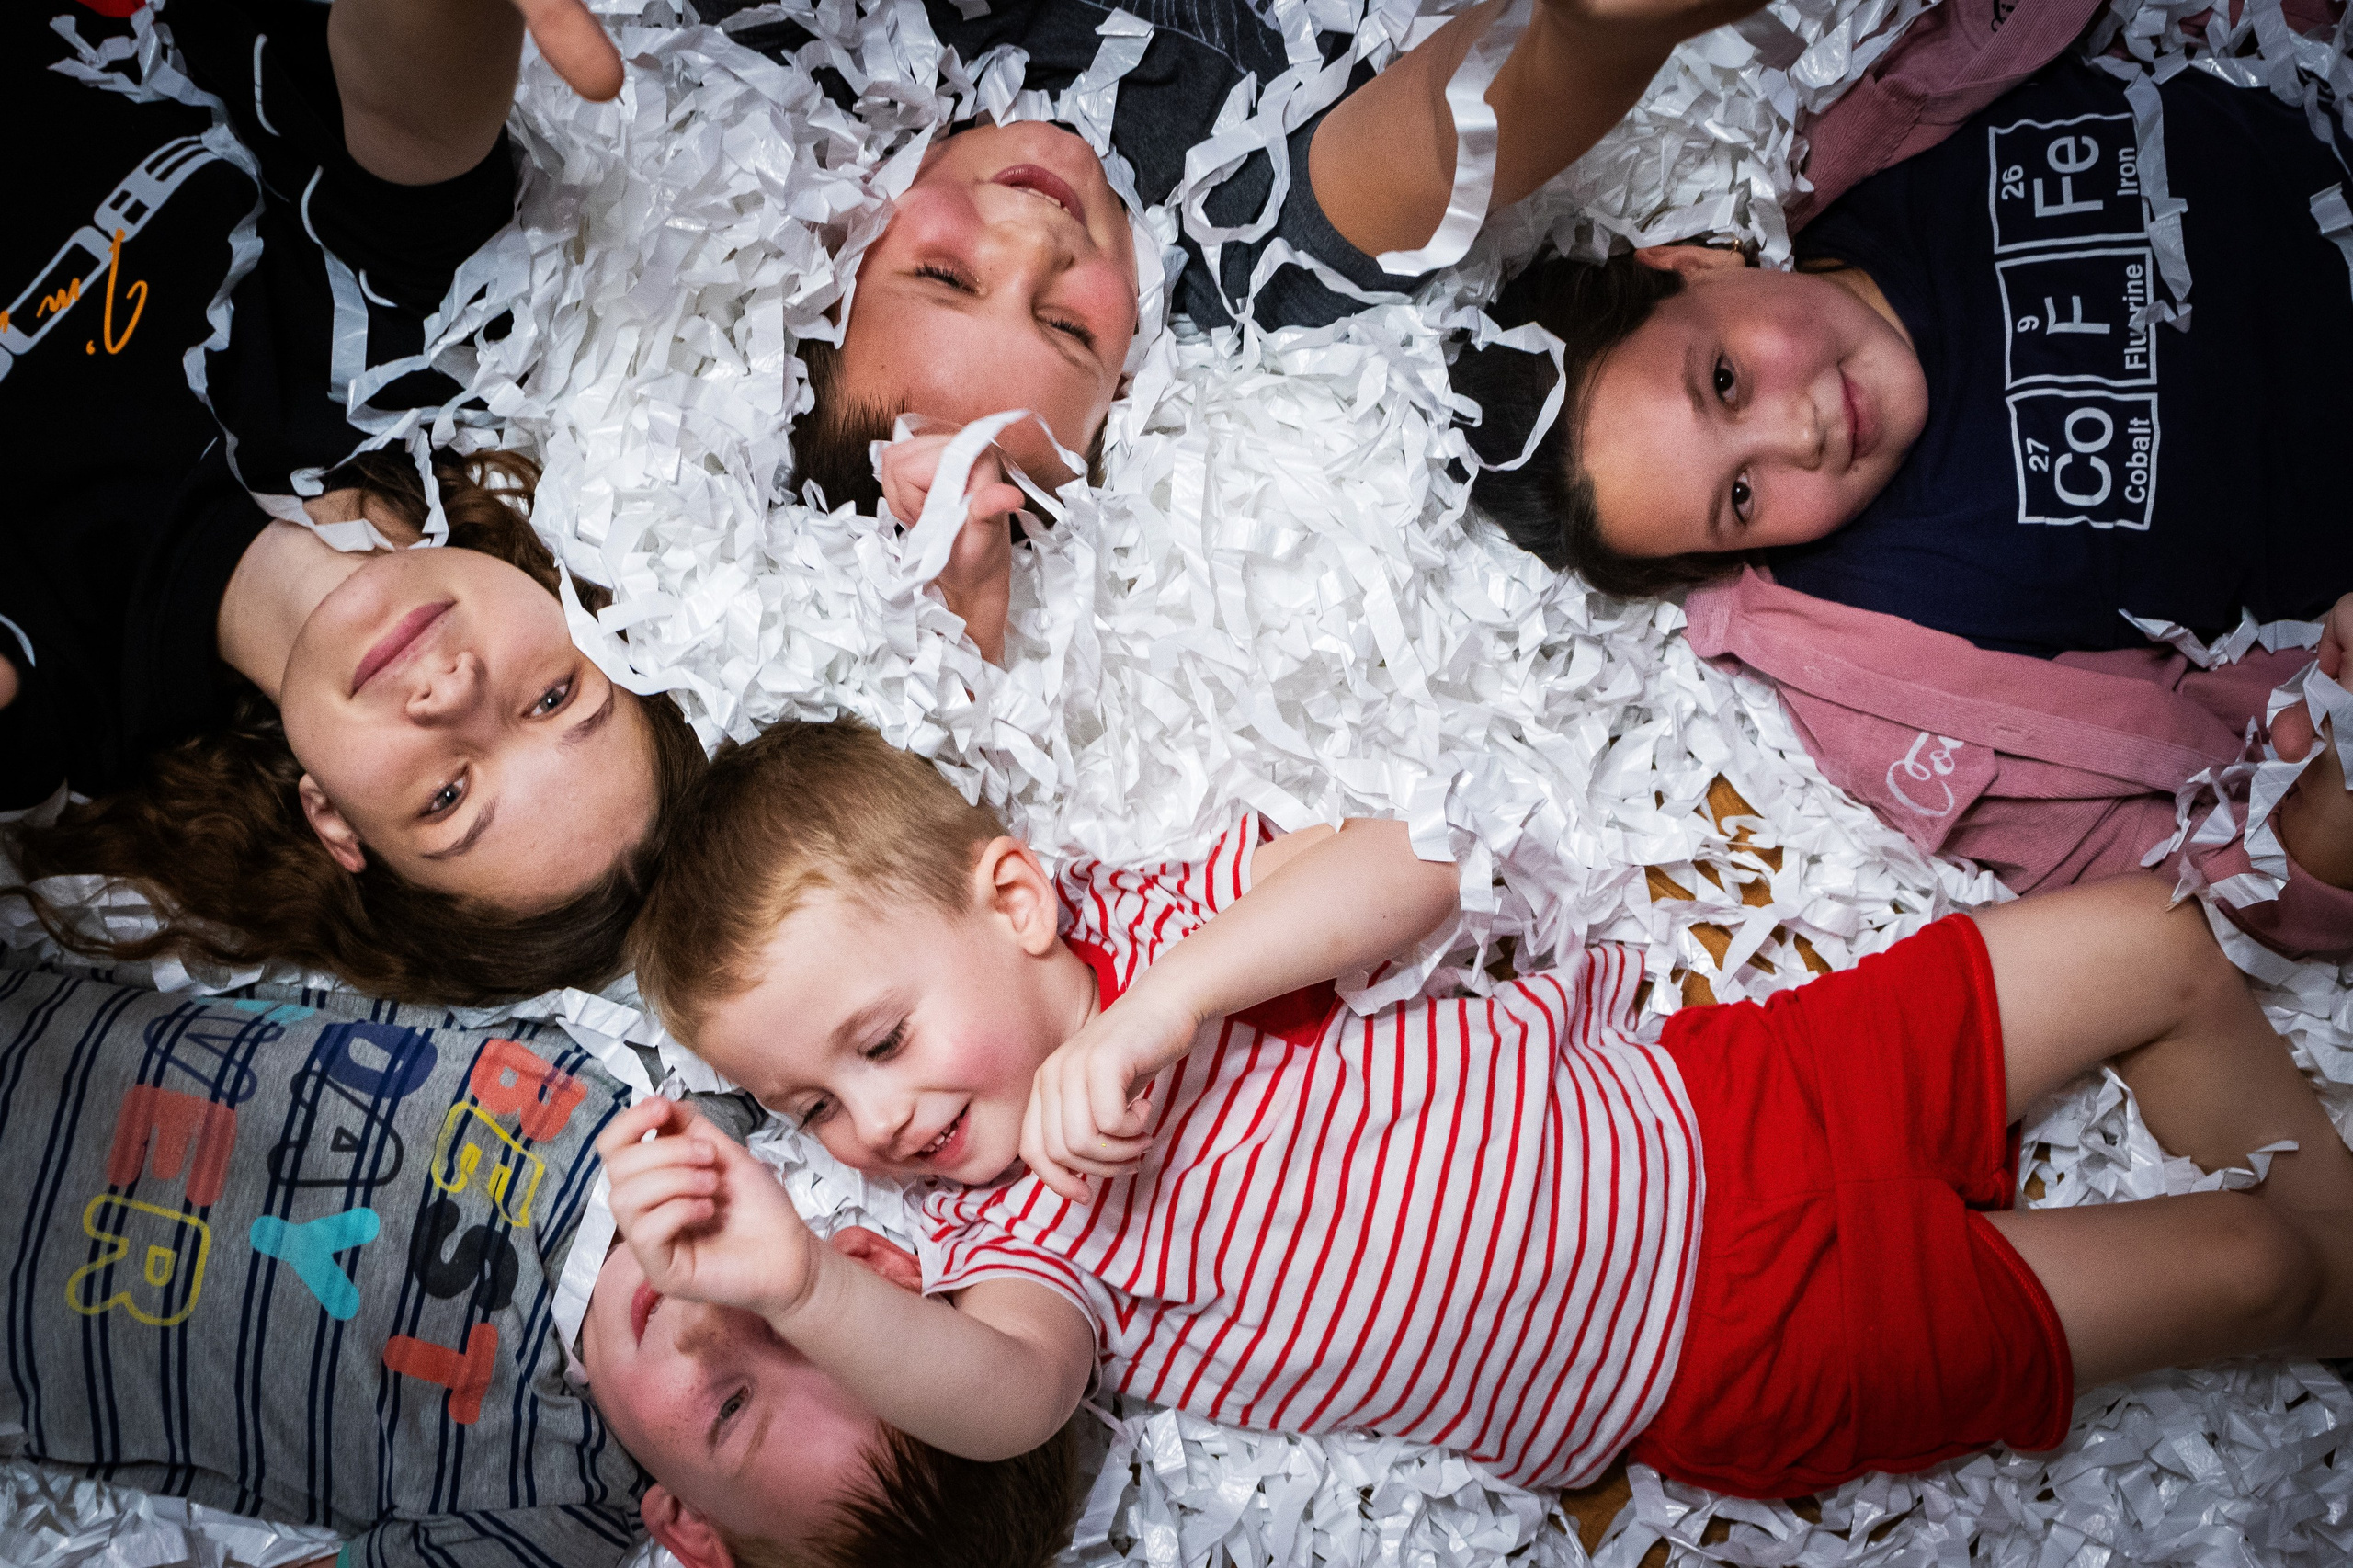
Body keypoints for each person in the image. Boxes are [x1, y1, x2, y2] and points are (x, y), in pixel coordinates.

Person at [598, 716, 2353, 1567]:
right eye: (821, 1106)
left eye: (883, 1040)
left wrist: (1165, 1006)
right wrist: (811, 1285)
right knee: (2251, 1262)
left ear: (1018, 898)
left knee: (2159, 941)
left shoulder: (1157, 926)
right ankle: (2322, 1288)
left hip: (1732, 1086)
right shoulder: (1020, 1241)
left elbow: (1424, 858)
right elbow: (1010, 1401)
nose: (883, 1122)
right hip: (1738, 1337)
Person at [1448, 14, 2353, 958]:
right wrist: (2334, 773)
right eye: (1742, 497)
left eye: (1722, 380)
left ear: (1690, 263)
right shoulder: (1894, 657)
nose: (1800, 431)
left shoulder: (1884, 118)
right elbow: (2225, 886)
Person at [0, 0, 703, 1006]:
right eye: (553, 697)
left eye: (449, 794)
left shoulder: (63, 712)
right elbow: (414, 124)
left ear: (336, 823)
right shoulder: (394, 380)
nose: (457, 693)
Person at [0, 952, 1040, 1567]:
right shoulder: (665, 1100)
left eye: (726, 1408)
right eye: (803, 1320)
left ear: (690, 1529)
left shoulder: (551, 1513)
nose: (711, 1317)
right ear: (867, 1259)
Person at [779, 0, 1769, 597]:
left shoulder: (814, 57)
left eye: (946, 277)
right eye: (1068, 326)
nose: (1036, 245)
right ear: (1128, 388)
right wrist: (1592, 35)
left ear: (840, 250)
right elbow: (1443, 135)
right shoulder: (1234, 255)